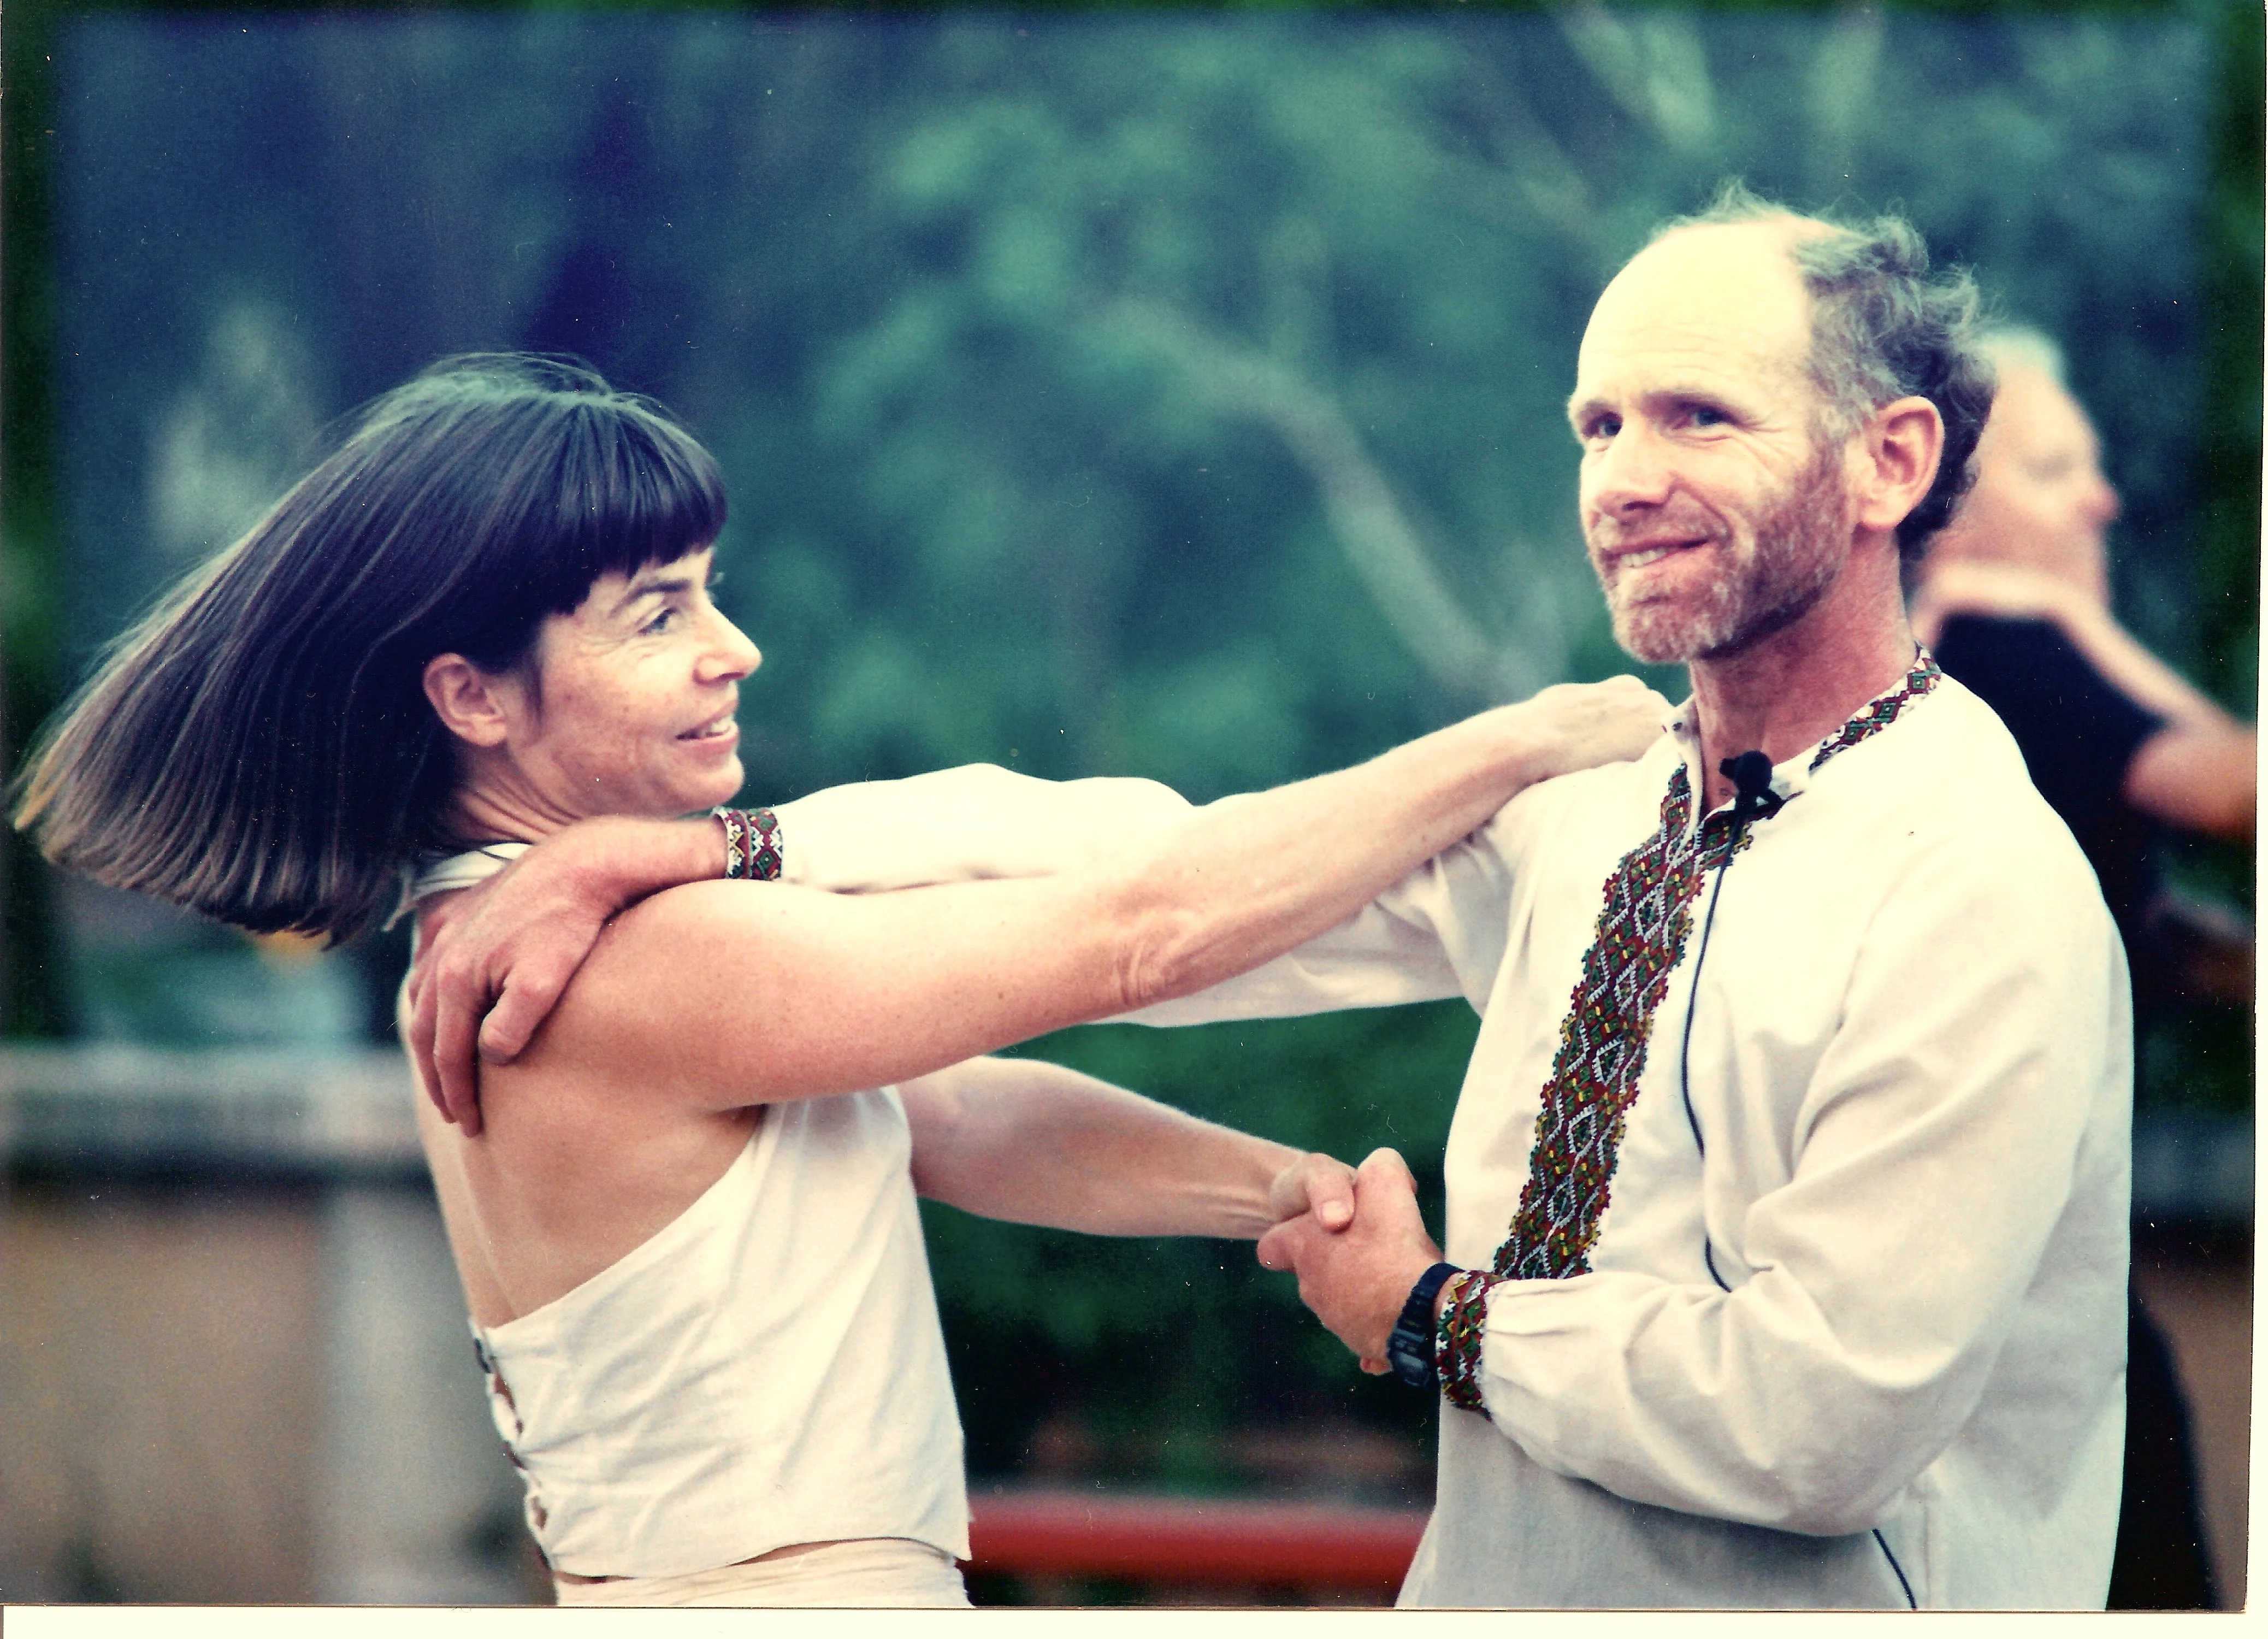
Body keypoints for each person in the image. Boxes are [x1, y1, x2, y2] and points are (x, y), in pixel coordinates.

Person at [422, 190, 2132, 1609]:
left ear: (1888, 462)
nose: (1621, 476)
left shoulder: (1980, 890)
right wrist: (734, 848)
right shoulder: (1586, 824)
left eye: (1699, 416)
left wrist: (1433, 1318)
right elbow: (1150, 876)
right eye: (1598, 424)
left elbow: (1820, 1424)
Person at [8, 354, 1669, 1607]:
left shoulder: (535, 938)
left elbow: (944, 1115)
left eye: (708, 594)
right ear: (473, 699)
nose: (731, 649)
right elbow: (1133, 933)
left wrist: (1282, 1194)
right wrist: (1528, 738)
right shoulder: (621, 967)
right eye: (656, 614)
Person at [1910, 326, 2252, 1609]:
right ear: (1941, 502)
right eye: (2058, 472)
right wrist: (2078, 624)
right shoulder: (2016, 656)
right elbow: (2241, 791)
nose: (2100, 500)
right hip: (2042, 1329)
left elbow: (2140, 938)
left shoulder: (1943, 693)